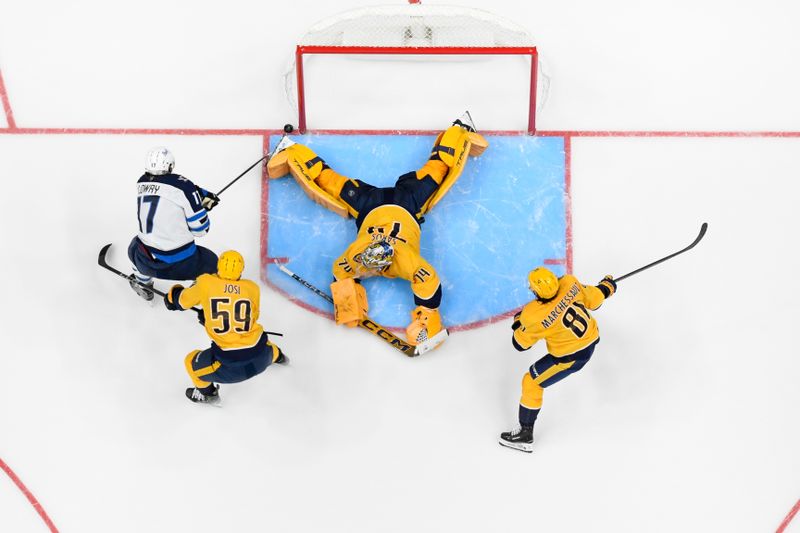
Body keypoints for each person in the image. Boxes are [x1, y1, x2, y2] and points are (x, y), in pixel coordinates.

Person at [266, 113, 488, 348]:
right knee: (435, 170)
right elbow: (343, 271)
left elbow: (427, 280)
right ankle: (290, 151)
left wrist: (349, 298)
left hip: (388, 203)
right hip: (391, 202)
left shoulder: (398, 259)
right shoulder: (359, 256)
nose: (374, 270)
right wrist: (348, 297)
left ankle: (459, 129)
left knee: (333, 181)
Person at [499, 267, 617, 452]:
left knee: (531, 382)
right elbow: (595, 299)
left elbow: (520, 344)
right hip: (591, 338)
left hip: (572, 356)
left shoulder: (533, 315)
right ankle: (525, 430)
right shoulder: (570, 283)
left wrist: (519, 324)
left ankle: (525, 433)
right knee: (533, 378)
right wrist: (607, 287)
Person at [163, 250, 288, 405]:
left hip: (231, 367)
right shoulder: (252, 288)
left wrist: (172, 297)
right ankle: (281, 358)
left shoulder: (206, 283)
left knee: (190, 362)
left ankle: (209, 395)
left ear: (218, 267)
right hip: (264, 355)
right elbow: (253, 317)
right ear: (241, 271)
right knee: (269, 348)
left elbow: (180, 301)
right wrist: (210, 317)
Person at [128, 146, 221, 301]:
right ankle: (196, 292)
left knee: (134, 246)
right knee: (213, 263)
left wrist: (199, 194)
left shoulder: (141, 182)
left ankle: (142, 282)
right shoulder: (185, 187)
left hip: (145, 260)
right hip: (181, 265)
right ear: (170, 165)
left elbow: (170, 189)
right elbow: (201, 230)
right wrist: (200, 208)